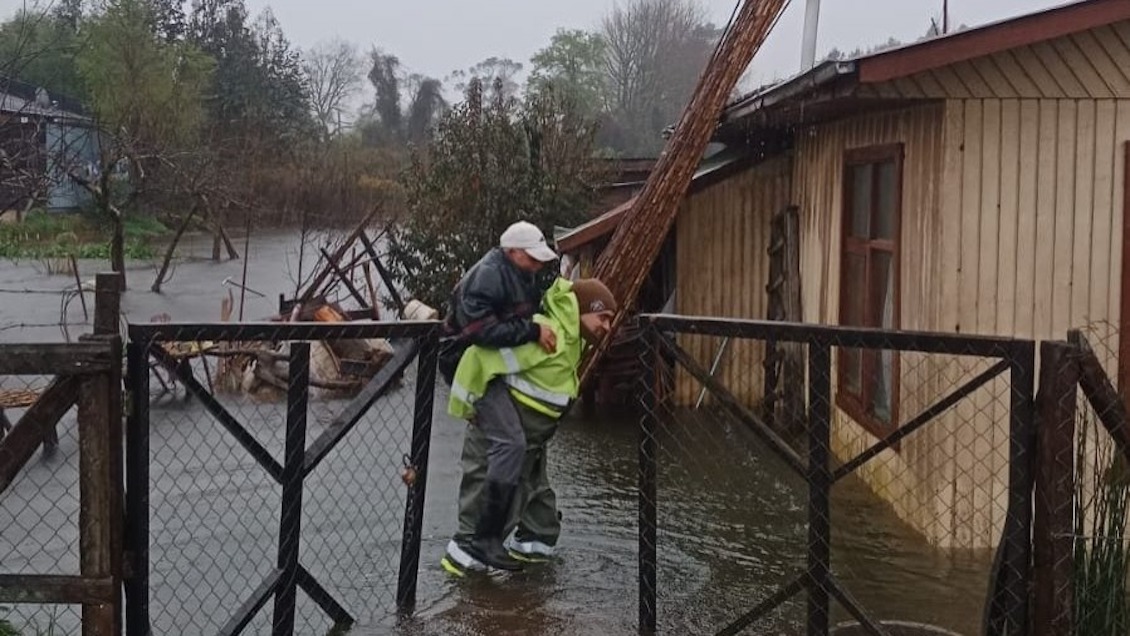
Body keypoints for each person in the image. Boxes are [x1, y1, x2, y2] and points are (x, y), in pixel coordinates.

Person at [441, 276, 617, 575]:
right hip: (502, 435)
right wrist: (465, 406)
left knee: (538, 504)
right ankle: (464, 570)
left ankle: (533, 561)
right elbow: (478, 356)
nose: (607, 327)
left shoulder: (573, 343)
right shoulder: (549, 336)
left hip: (534, 438)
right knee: (486, 491)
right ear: (583, 309)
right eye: (603, 317)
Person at [435, 220, 559, 570]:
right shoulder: (487, 276)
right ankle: (484, 539)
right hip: (469, 367)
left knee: (525, 444)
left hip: (496, 366)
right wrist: (534, 330)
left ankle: (531, 536)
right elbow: (482, 332)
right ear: (512, 252)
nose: (539, 265)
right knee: (511, 443)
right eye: (533, 258)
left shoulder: (522, 274)